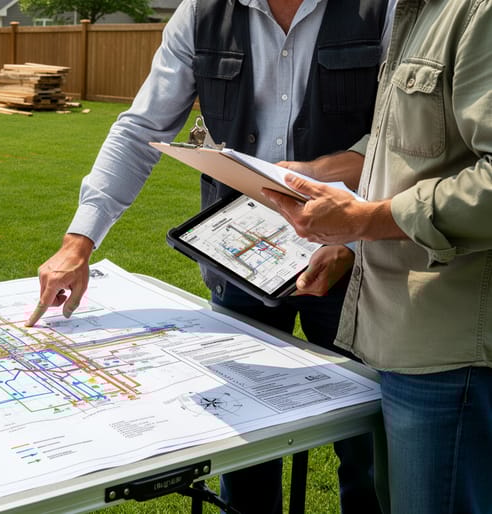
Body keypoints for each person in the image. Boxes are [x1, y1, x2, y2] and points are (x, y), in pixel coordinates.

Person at [25, 0, 396, 512]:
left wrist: (350, 238)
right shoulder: (200, 14)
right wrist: (79, 240)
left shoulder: (381, 9)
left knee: (369, 447)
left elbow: (409, 135)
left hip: (357, 262)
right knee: (246, 443)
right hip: (242, 257)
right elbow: (139, 129)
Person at [259, 1, 492, 513]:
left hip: (450, 354)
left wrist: (364, 221)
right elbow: (410, 160)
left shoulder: (476, 12)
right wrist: (349, 242)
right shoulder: (413, 12)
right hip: (404, 338)